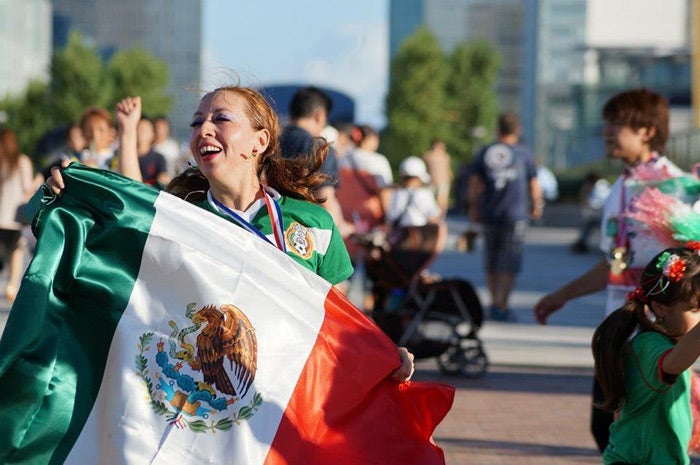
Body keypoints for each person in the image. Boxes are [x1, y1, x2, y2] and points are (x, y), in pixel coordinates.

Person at [47, 87, 414, 382]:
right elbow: (122, 226)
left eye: (221, 119)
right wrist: (73, 192)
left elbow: (340, 318)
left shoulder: (312, 223)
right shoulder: (180, 220)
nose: (203, 129)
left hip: (283, 403)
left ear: (259, 142)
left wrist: (382, 353)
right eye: (196, 123)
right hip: (206, 402)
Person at [533, 88, 687, 452]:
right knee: (606, 428)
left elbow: (686, 267)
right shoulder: (619, 187)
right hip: (617, 330)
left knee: (647, 438)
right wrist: (561, 296)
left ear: (647, 131)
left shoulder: (675, 187)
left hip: (654, 338)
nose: (606, 132)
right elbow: (614, 262)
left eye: (617, 124)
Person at [592, 246, 700, 465]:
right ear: (660, 308)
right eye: (696, 310)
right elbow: (673, 363)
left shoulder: (662, 344)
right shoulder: (648, 345)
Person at [468, 112, 543, 322]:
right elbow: (533, 184)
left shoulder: (485, 152)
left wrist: (473, 207)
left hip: (490, 213)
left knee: (491, 259)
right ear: (517, 130)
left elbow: (474, 183)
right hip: (516, 214)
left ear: (497, 129)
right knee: (510, 260)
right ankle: (503, 303)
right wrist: (536, 205)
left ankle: (493, 301)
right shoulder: (523, 154)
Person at [279, 86, 352, 239]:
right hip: (303, 238)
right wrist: (343, 228)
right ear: (320, 115)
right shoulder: (319, 148)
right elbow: (325, 198)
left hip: (264, 230)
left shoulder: (267, 143)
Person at [0, 128, 35, 303]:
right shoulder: (22, 161)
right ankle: (12, 285)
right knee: (15, 251)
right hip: (14, 218)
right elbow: (28, 188)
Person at [384, 156, 442, 228]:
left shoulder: (397, 193)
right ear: (419, 178)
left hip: (399, 233)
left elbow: (390, 218)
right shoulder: (424, 194)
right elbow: (434, 216)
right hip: (419, 233)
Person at [570, 171, 611, 254]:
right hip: (603, 214)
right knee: (587, 221)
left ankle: (582, 244)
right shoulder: (602, 185)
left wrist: (583, 194)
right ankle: (581, 243)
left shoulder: (600, 187)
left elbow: (595, 203)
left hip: (603, 215)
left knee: (587, 222)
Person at [135, 117, 170, 188]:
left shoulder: (159, 158)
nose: (141, 133)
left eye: (145, 130)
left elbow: (163, 179)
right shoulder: (126, 157)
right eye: (138, 129)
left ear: (152, 134)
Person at [79, 106, 116, 170]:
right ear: (82, 133)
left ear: (111, 134)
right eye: (90, 130)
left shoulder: (116, 160)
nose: (95, 135)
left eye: (101, 130)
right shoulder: (75, 158)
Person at [422, 138, 453, 215]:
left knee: (442, 200)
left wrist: (450, 178)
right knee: (429, 200)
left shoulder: (445, 156)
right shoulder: (428, 156)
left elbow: (447, 168)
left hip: (443, 181)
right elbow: (423, 169)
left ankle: (441, 216)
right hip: (431, 181)